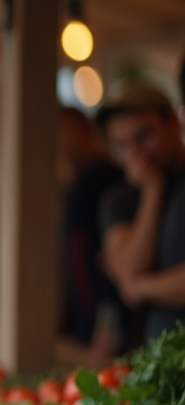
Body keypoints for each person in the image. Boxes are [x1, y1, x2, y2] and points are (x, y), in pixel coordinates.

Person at [99, 81, 185, 342]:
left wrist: (141, 286)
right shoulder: (118, 200)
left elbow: (130, 281)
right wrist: (152, 191)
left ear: (174, 123)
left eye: (144, 137)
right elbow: (126, 268)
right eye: (123, 145)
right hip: (157, 356)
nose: (136, 154)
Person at [57, 107, 128, 360]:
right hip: (90, 320)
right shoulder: (84, 180)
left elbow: (93, 257)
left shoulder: (98, 181)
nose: (55, 143)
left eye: (60, 133)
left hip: (100, 322)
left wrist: (102, 321)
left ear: (81, 131)